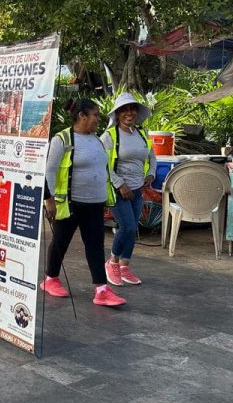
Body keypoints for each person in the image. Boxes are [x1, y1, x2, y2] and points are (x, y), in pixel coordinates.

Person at [42, 99, 126, 307]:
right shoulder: (62, 139)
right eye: (95, 115)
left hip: (95, 204)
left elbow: (103, 168)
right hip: (71, 203)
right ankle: (51, 278)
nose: (98, 119)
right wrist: (49, 200)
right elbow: (49, 171)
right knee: (61, 241)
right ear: (82, 116)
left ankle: (101, 290)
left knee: (95, 245)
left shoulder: (97, 140)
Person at [100, 92, 156, 286]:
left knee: (133, 229)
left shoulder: (142, 133)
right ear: (117, 114)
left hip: (138, 188)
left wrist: (151, 174)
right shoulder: (109, 136)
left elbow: (152, 156)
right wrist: (120, 184)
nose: (129, 113)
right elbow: (102, 163)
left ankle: (124, 266)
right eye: (124, 110)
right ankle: (112, 262)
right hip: (118, 190)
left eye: (132, 109)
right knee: (127, 226)